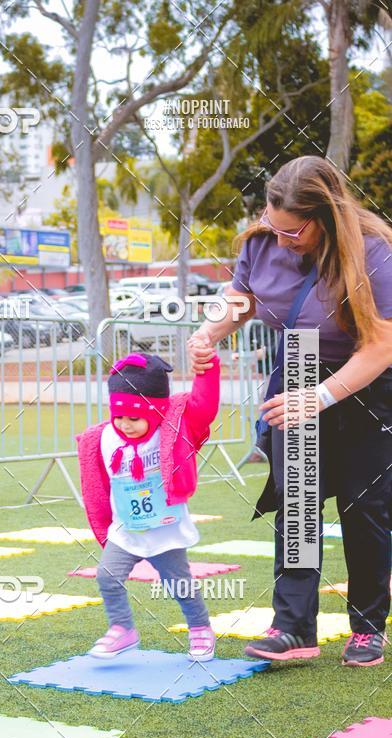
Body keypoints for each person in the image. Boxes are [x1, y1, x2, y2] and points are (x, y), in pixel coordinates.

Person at [188, 155, 392, 667]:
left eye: (293, 232)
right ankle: (293, 627)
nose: (280, 241)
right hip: (296, 368)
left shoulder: (375, 253)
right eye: (272, 226)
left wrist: (321, 397)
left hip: (365, 381)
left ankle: (368, 627)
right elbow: (241, 298)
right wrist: (209, 331)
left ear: (324, 217)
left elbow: (383, 346)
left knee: (363, 507)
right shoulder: (263, 240)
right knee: (298, 505)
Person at [77, 351, 220, 660]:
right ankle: (123, 629)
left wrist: (208, 368)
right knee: (107, 575)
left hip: (165, 529)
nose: (125, 425)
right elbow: (96, 484)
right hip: (126, 528)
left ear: (156, 411)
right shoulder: (103, 439)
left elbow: (203, 407)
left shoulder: (172, 432)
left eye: (135, 418)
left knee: (179, 584)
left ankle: (199, 629)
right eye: (120, 417)